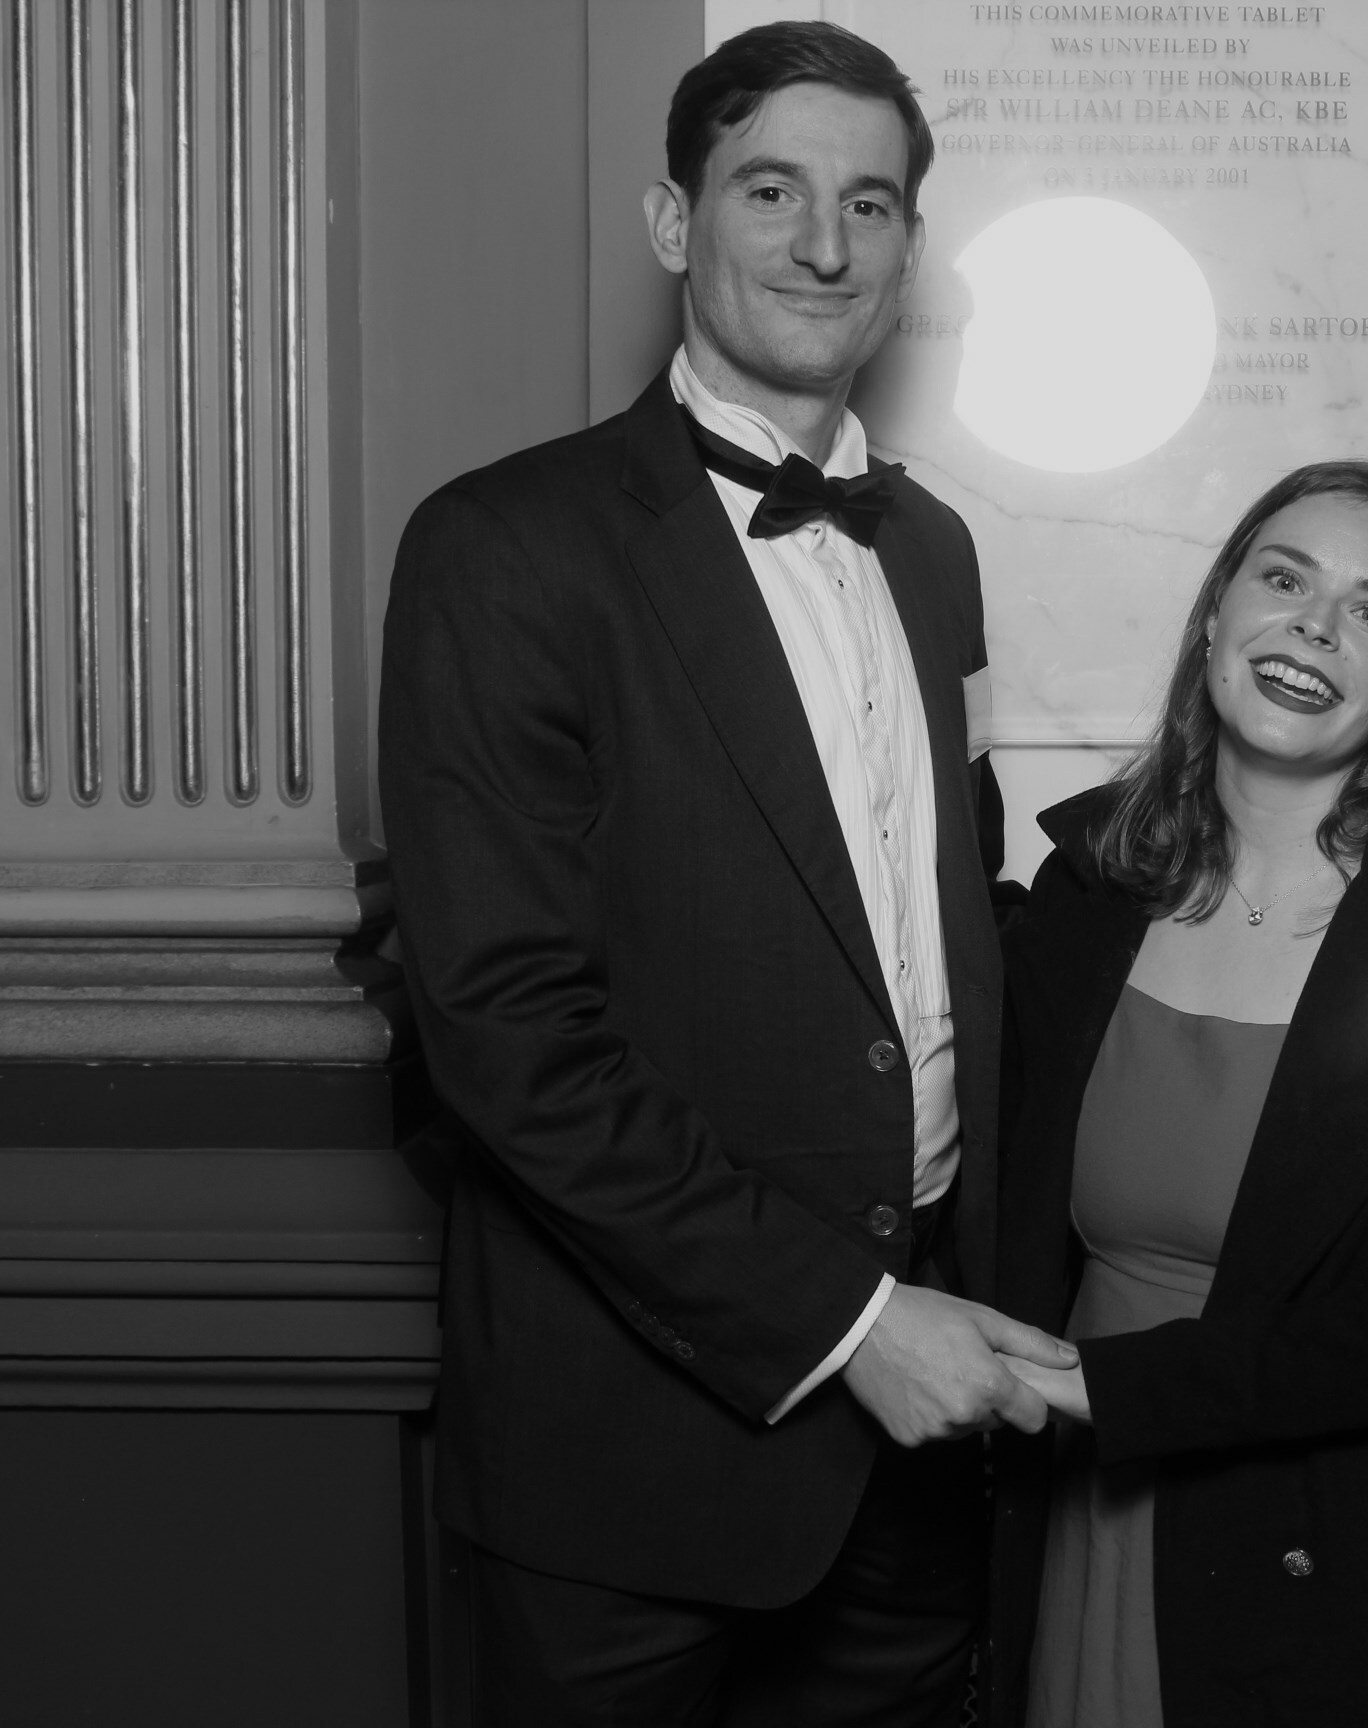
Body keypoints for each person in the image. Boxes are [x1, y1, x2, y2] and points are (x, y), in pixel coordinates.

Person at [376, 23, 1074, 1726]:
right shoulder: (501, 546)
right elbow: (505, 1031)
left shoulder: (931, 551)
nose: (825, 244)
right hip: (629, 1459)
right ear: (674, 221)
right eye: (771, 191)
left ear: (910, 245)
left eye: (869, 203)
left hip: (926, 1448)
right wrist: (853, 1324)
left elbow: (943, 933)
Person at [986, 461, 1368, 1727]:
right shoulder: (1083, 894)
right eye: (1284, 579)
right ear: (1218, 613)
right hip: (1079, 1499)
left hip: (1335, 1546)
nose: (1316, 627)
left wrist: (1127, 1392)